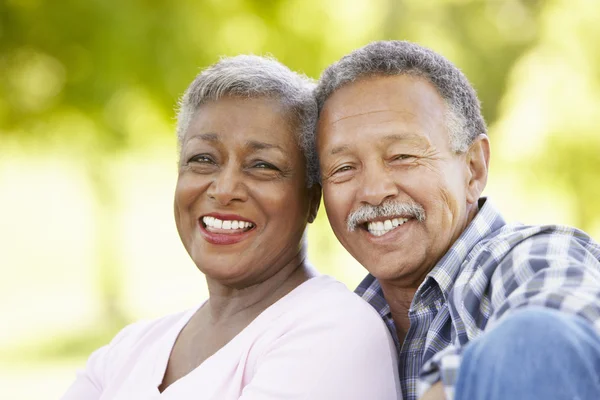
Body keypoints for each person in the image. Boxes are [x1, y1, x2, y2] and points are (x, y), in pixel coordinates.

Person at [61, 55, 400, 400]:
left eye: (262, 165)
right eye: (202, 159)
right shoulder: (129, 349)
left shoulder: (336, 330)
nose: (224, 190)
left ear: (312, 199)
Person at [314, 40, 600, 400]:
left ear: (473, 168)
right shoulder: (343, 324)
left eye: (402, 156)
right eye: (343, 168)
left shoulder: (531, 256)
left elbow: (549, 342)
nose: (373, 190)